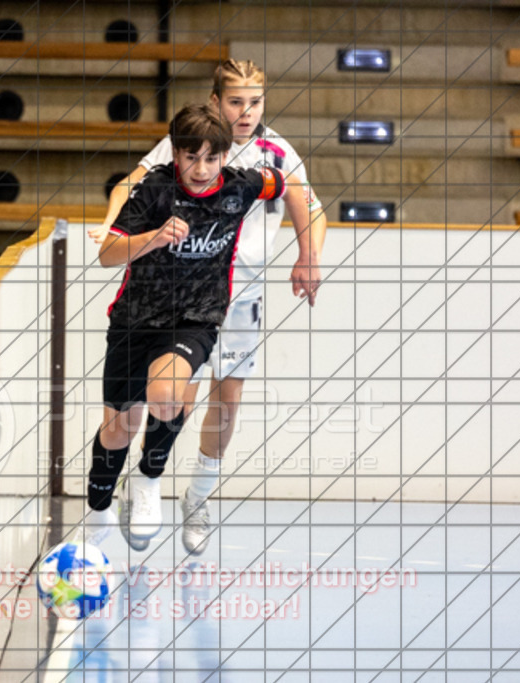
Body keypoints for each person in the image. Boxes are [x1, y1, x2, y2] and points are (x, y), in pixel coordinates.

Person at [90, 59, 327, 555]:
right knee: (167, 398)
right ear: (216, 101)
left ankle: (196, 497)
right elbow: (130, 186)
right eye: (236, 101)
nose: (247, 111)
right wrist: (114, 226)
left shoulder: (274, 152)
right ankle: (144, 483)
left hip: (237, 295)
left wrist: (309, 257)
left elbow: (304, 199)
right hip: (171, 293)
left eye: (256, 101)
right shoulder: (187, 143)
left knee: (225, 402)